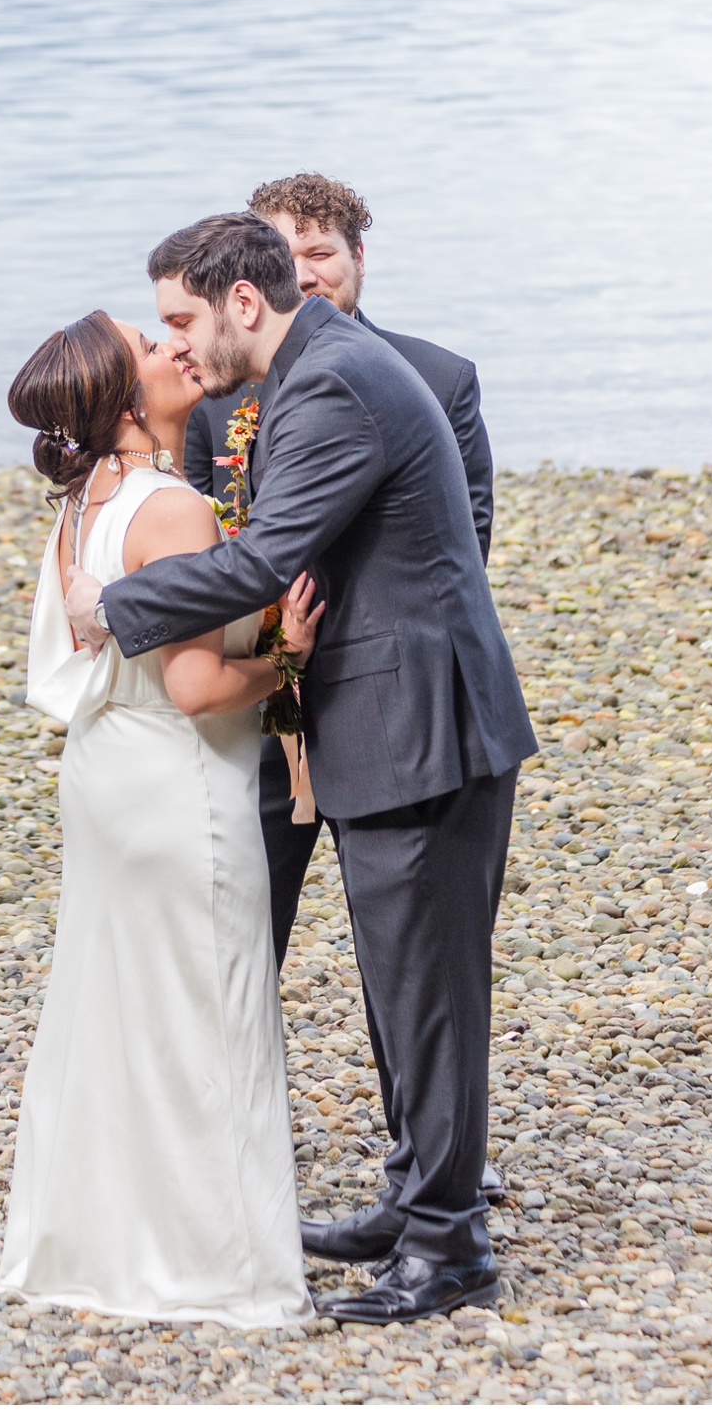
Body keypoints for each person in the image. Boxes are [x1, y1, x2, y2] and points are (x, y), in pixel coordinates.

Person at [65, 215, 538, 1325]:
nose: (179, 344)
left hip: (419, 728)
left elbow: (266, 554)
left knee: (427, 998)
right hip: (389, 720)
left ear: (241, 300)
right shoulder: (323, 367)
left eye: (182, 317)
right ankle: (413, 1204)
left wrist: (113, 604)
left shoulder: (328, 386)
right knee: (403, 988)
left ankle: (449, 1248)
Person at [0, 308, 321, 1327]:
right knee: (207, 1015)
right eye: (153, 342)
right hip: (179, 781)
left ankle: (92, 1245)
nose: (179, 346)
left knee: (111, 1015)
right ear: (126, 397)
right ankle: (221, 1268)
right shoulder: (172, 509)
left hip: (105, 778)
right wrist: (292, 653)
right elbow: (193, 682)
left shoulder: (81, 499)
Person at [185, 172, 494, 973]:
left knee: (413, 963)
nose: (306, 270)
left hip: (386, 705)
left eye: (320, 252)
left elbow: (459, 550)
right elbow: (199, 528)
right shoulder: (215, 394)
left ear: (359, 258)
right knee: (234, 947)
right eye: (286, 254)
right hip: (255, 706)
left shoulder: (435, 377)